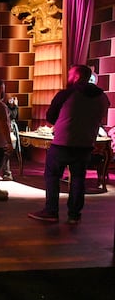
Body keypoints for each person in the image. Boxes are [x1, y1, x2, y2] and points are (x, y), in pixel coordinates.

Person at [28, 64, 110, 224]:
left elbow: (51, 117)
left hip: (63, 142)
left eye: (71, 74)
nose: (69, 77)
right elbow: (102, 117)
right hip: (86, 143)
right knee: (79, 179)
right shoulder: (102, 97)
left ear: (77, 76)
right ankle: (74, 214)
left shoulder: (67, 94)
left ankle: (51, 211)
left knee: (52, 176)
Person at [0, 96, 19, 181]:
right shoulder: (4, 107)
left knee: (7, 152)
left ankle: (6, 172)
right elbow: (11, 115)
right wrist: (15, 106)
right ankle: (6, 173)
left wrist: (15, 106)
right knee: (6, 152)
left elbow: (15, 116)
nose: (11, 101)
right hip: (8, 130)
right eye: (10, 99)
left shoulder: (9, 107)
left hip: (10, 129)